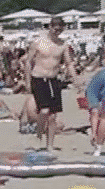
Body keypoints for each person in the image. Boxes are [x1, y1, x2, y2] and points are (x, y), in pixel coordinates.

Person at [24, 17, 77, 150]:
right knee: (44, 110)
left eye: (60, 28)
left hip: (53, 80)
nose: (57, 31)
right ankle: (38, 135)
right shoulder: (38, 42)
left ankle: (50, 145)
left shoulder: (63, 45)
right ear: (50, 27)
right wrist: (27, 82)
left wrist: (76, 79)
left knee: (53, 116)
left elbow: (69, 63)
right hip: (38, 78)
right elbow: (28, 62)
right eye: (54, 28)